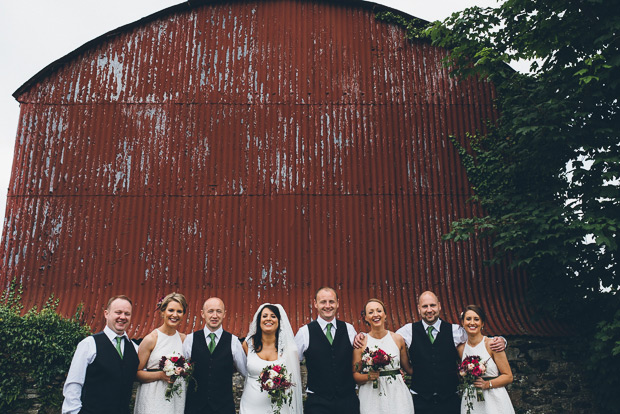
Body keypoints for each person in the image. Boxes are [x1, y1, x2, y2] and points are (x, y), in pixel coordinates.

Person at [395, 291, 506, 414]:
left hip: (450, 400)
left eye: (432, 305)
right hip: (420, 400)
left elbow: (478, 340)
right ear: (419, 309)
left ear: (439, 306)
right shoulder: (407, 330)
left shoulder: (456, 331)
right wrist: (396, 368)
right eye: (425, 306)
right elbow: (388, 342)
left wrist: (502, 341)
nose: (429, 310)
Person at [62, 295, 139, 414]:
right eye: (118, 312)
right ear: (106, 314)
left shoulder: (134, 348)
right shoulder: (89, 344)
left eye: (127, 314)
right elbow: (74, 383)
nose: (122, 317)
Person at [294, 287, 360, 414]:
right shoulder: (304, 332)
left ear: (338, 303)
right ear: (315, 304)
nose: (328, 306)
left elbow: (361, 355)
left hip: (348, 401)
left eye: (331, 301)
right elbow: (292, 362)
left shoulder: (349, 329)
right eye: (323, 302)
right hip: (317, 402)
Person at [183, 297, 247, 414]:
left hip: (224, 408)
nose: (214, 315)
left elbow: (246, 373)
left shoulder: (233, 341)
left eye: (219, 311)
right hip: (194, 407)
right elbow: (180, 372)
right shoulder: (190, 339)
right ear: (203, 314)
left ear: (224, 314)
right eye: (210, 311)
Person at [353, 299, 414, 414]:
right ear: (365, 317)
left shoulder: (398, 339)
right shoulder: (361, 343)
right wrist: (368, 376)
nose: (375, 315)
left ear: (385, 315)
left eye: (379, 311)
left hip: (397, 394)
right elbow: (355, 374)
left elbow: (408, 368)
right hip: (371, 394)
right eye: (370, 312)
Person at [240, 303, 303, 414]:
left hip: (279, 408)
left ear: (279, 321)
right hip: (250, 407)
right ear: (259, 320)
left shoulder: (289, 349)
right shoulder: (247, 344)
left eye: (273, 316)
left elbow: (295, 382)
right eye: (264, 316)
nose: (268, 319)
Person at [134, 293, 188, 414]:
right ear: (162, 312)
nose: (175, 315)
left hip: (176, 397)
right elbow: (136, 374)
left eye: (179, 311)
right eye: (171, 310)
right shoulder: (151, 339)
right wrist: (160, 375)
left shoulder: (184, 339)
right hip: (152, 397)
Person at [459, 305, 515, 414]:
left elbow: (508, 376)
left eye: (476, 319)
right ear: (462, 322)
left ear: (483, 323)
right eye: (468, 319)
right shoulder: (461, 349)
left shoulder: (493, 345)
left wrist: (487, 384)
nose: (472, 323)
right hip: (472, 399)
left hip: (494, 398)